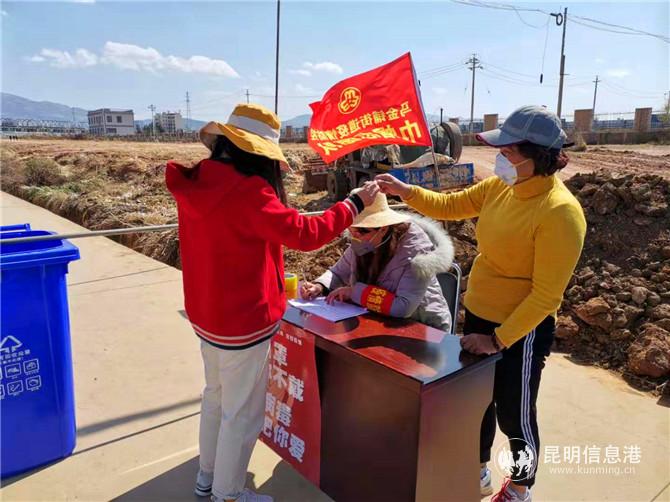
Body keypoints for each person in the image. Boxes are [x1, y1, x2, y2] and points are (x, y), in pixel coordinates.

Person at [166, 103, 378, 502]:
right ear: (257, 153)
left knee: (215, 397)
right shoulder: (248, 191)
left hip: (206, 315)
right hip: (242, 321)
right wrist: (353, 205)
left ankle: (207, 477)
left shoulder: (199, 181)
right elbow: (305, 232)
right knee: (242, 413)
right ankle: (228, 493)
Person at [375, 105, 586, 502]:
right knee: (476, 404)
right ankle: (479, 473)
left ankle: (521, 488)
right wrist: (405, 192)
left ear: (536, 156)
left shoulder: (560, 213)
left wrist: (499, 340)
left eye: (508, 152)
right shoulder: (500, 188)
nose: (500, 159)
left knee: (515, 413)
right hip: (479, 316)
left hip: (519, 330)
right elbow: (452, 206)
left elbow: (546, 295)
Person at [301, 191, 454, 332]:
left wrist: (354, 292)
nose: (355, 236)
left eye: (362, 231)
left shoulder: (416, 252)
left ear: (383, 228)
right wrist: (319, 286)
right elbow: (338, 272)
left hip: (423, 327)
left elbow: (403, 307)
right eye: (351, 230)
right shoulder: (362, 242)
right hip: (377, 320)